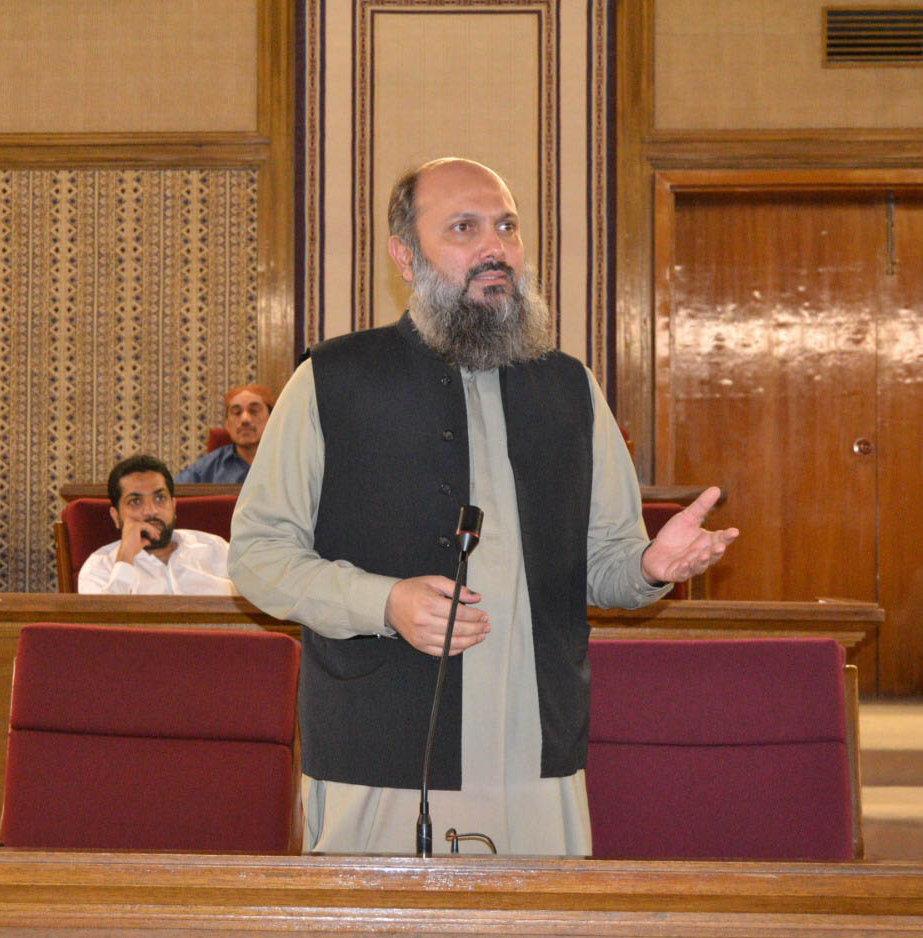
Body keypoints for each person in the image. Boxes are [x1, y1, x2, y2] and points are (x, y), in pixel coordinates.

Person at [229, 157, 737, 856]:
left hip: (537, 755)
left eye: (507, 227)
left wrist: (650, 564)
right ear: (405, 256)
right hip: (382, 752)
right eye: (464, 228)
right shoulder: (332, 379)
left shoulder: (570, 387)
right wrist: (384, 602)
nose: (494, 248)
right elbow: (258, 556)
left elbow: (607, 568)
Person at [78, 454, 236, 595]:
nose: (150, 511)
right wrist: (125, 559)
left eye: (160, 498)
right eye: (135, 501)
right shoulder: (99, 568)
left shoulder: (217, 550)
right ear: (116, 517)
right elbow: (103, 625)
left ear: (173, 506)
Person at [174, 384, 273, 484]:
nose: (245, 419)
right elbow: (175, 492)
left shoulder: (284, 461)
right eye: (237, 412)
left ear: (271, 419)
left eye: (253, 411)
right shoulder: (208, 467)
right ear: (227, 424)